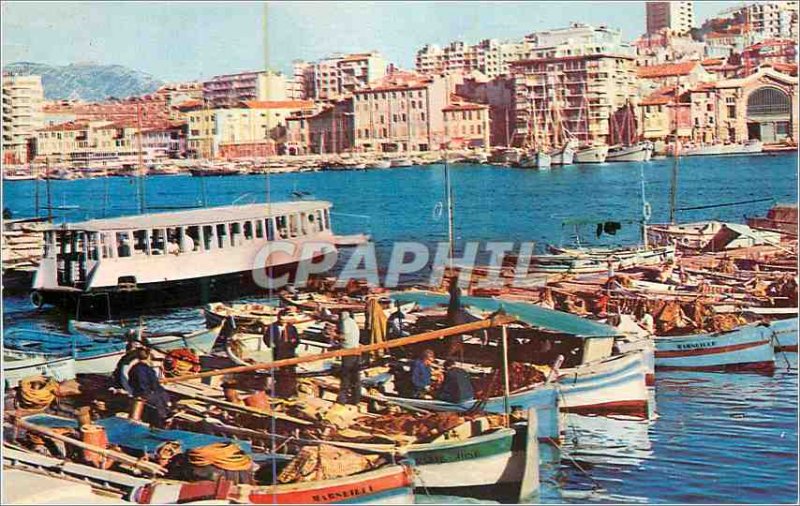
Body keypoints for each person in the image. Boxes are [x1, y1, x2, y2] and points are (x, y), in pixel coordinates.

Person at [128, 348, 171, 428]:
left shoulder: (133, 368)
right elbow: (153, 384)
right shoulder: (147, 369)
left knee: (160, 395)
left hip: (138, 392)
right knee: (161, 397)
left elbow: (131, 382)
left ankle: (165, 414)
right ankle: (164, 418)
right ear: (148, 357)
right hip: (145, 394)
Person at [264, 311, 299, 397]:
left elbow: (297, 340)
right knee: (279, 371)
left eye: (284, 316)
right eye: (281, 316)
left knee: (290, 372)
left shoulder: (292, 328)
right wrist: (270, 344)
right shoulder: (272, 327)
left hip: (289, 352)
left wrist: (293, 343)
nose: (282, 318)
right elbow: (266, 338)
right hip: (278, 352)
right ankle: (279, 390)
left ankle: (291, 391)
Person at [337, 311, 361, 405]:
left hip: (348, 352)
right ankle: (356, 399)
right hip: (355, 350)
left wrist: (333, 336)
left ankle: (342, 399)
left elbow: (344, 336)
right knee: (355, 376)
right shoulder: (352, 321)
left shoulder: (345, 321)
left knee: (346, 376)